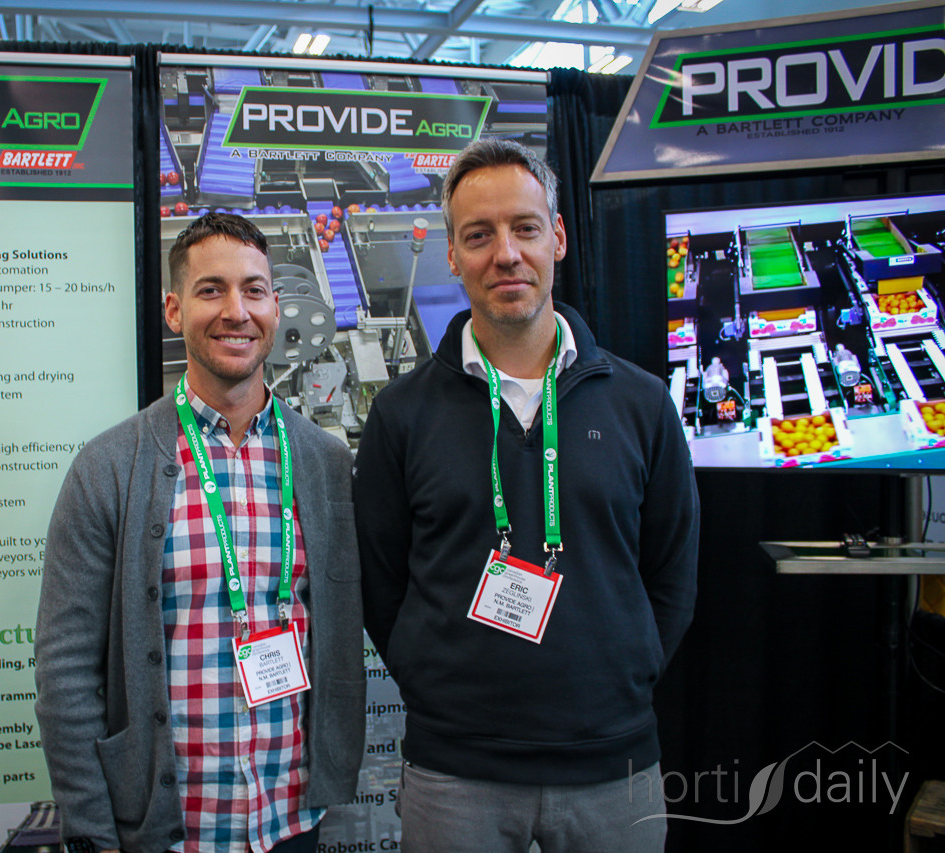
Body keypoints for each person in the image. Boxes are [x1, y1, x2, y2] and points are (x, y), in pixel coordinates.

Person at [354, 138, 698, 852]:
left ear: (558, 237)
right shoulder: (401, 414)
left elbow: (673, 573)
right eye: (479, 235)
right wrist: (434, 682)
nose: (505, 254)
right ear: (453, 255)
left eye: (525, 228)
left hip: (613, 765)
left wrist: (622, 676)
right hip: (455, 773)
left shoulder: (641, 404)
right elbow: (380, 583)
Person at [35, 212, 365, 853]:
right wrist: (94, 831)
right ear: (174, 309)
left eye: (254, 290)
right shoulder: (110, 467)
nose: (236, 311)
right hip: (167, 832)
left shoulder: (326, 463)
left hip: (292, 821)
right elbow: (66, 671)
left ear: (276, 307)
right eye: (211, 290)